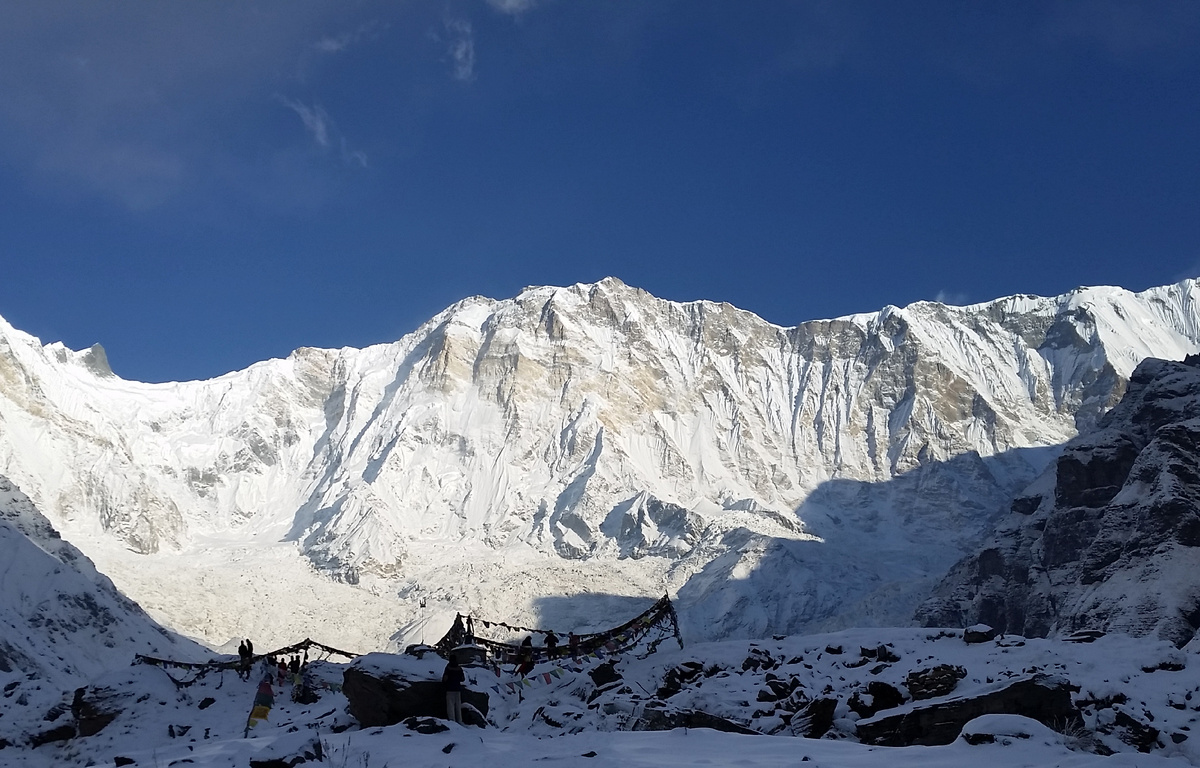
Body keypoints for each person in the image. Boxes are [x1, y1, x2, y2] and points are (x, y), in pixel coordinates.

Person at [442, 656, 466, 724]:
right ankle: (459, 720)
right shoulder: (459, 668)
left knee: (450, 706)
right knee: (458, 706)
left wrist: (444, 683)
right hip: (457, 689)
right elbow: (462, 679)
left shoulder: (448, 668)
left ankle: (452, 721)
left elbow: (445, 678)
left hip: (449, 689)